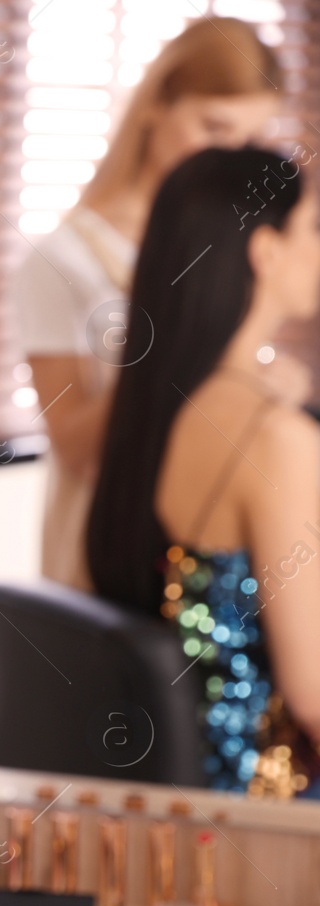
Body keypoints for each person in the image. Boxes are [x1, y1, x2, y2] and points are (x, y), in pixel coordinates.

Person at [14, 17, 291, 591]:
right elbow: (74, 448)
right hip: (112, 546)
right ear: (157, 104)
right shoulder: (62, 262)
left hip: (214, 537)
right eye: (214, 126)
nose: (230, 159)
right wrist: (178, 334)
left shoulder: (236, 248)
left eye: (250, 140)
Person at [87, 146, 320, 797]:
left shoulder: (154, 405)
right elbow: (312, 693)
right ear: (266, 251)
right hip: (268, 805)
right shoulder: (276, 437)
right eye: (313, 229)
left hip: (179, 793)